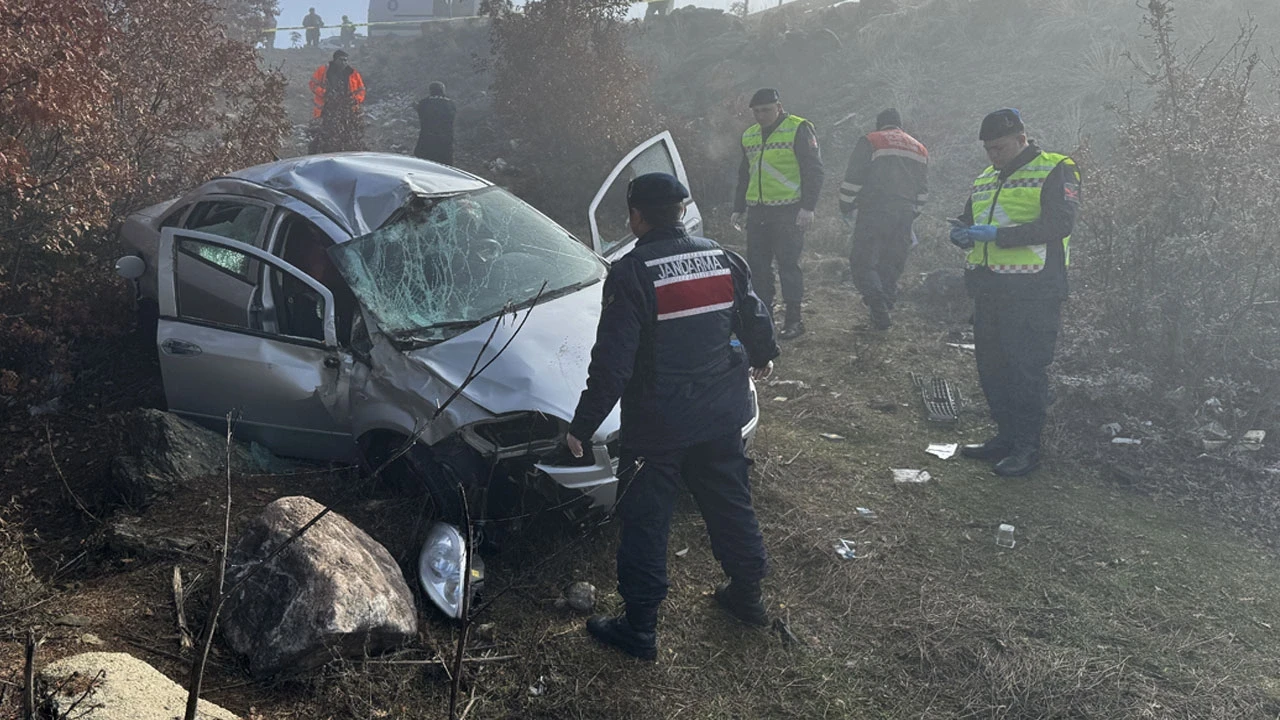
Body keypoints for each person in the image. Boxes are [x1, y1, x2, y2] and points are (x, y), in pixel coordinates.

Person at [566, 172, 779, 661]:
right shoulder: (723, 257)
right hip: (721, 412)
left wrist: (583, 424)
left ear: (636, 216)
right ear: (682, 211)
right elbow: (753, 314)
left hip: (658, 424)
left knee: (646, 520)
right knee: (730, 500)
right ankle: (747, 596)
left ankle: (639, 629)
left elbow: (613, 360)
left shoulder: (633, 271)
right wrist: (764, 353)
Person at [949, 108, 1080, 477]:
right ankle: (1005, 437)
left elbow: (1060, 223)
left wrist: (1000, 237)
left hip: (1034, 290)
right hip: (990, 288)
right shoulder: (986, 178)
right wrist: (959, 232)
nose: (993, 156)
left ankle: (1027, 448)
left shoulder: (1057, 168)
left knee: (1026, 370)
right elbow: (969, 219)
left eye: (1000, 148)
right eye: (988, 149)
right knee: (993, 369)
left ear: (1022, 139)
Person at [731, 88, 823, 340]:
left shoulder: (799, 128)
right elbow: (744, 174)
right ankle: (766, 319)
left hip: (788, 211)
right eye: (756, 111)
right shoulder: (749, 135)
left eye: (766, 110)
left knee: (788, 266)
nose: (760, 116)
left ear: (779, 107)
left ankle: (794, 320)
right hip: (758, 212)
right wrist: (738, 207)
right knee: (758, 268)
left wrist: (808, 207)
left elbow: (813, 170)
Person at [838, 107, 929, 330]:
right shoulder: (919, 148)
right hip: (905, 212)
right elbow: (923, 191)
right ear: (900, 125)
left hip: (874, 209)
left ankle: (878, 306)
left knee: (863, 261)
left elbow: (853, 179)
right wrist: (912, 212)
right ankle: (885, 305)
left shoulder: (871, 140)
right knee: (891, 261)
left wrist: (846, 205)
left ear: (880, 124)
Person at [308, 50, 367, 153]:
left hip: (348, 110)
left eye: (346, 60)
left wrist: (355, 100)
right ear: (335, 60)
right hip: (326, 109)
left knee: (349, 136)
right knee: (322, 136)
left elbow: (361, 90)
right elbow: (313, 84)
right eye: (341, 60)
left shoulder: (353, 73)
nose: (344, 62)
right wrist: (325, 93)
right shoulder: (324, 70)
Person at [414, 82, 457, 165]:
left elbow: (422, 114)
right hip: (445, 141)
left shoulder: (424, 102)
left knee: (424, 165)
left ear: (430, 90)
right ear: (443, 90)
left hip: (427, 140)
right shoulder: (450, 103)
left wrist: (416, 107)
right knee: (444, 166)